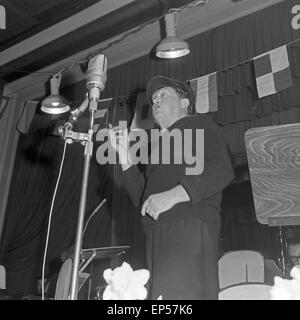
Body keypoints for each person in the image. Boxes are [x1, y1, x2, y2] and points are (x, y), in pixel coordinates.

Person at [109, 75, 234, 299]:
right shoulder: (158, 146)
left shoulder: (199, 124)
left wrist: (174, 195)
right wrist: (124, 154)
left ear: (185, 102)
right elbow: (143, 198)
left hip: (187, 226)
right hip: (156, 233)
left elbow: (222, 169)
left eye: (163, 95)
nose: (155, 101)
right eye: (154, 99)